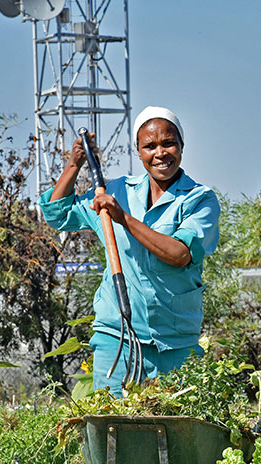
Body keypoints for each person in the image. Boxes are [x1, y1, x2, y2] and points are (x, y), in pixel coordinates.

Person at [39, 106, 220, 396]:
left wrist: (124, 219)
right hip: (118, 337)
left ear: (181, 146)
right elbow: (57, 214)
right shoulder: (117, 191)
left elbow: (178, 254)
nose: (160, 153)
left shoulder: (200, 199)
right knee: (114, 429)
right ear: (138, 151)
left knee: (176, 431)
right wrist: (75, 164)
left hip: (174, 342)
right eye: (150, 146)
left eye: (168, 143)